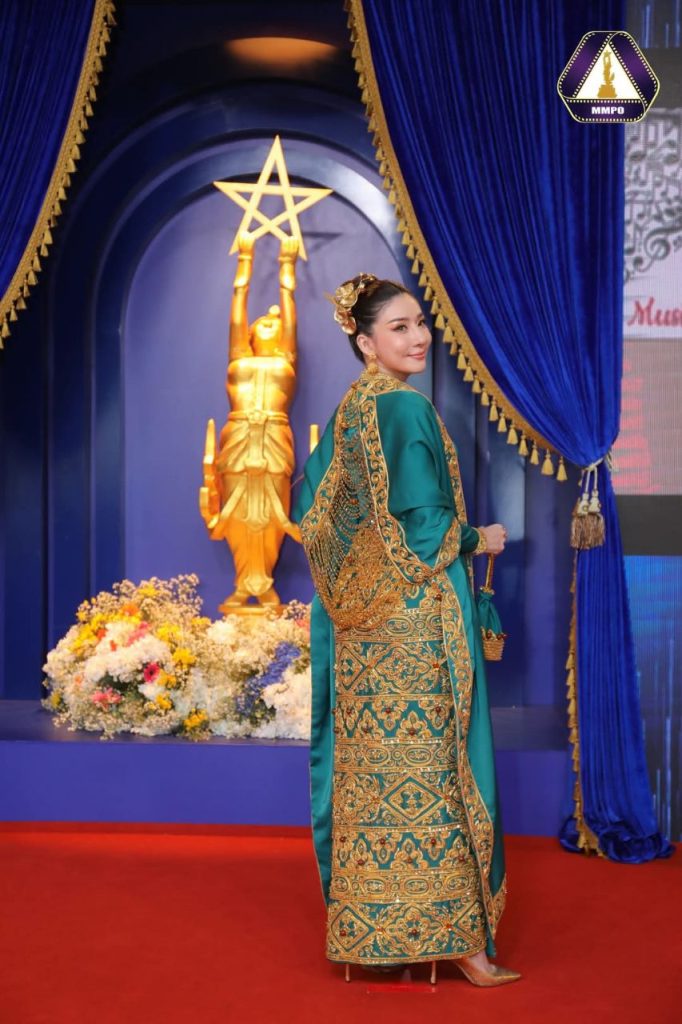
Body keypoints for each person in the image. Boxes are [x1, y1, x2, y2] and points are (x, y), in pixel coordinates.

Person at [292, 274, 520, 986]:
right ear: (365, 342)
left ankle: (372, 934)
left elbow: (311, 512)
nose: (419, 337)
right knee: (434, 775)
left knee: (372, 777)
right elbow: (424, 529)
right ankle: (463, 947)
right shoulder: (406, 407)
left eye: (420, 323)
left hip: (361, 633)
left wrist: (360, 581)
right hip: (418, 626)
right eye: (399, 327)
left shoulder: (352, 409)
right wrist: (478, 538)